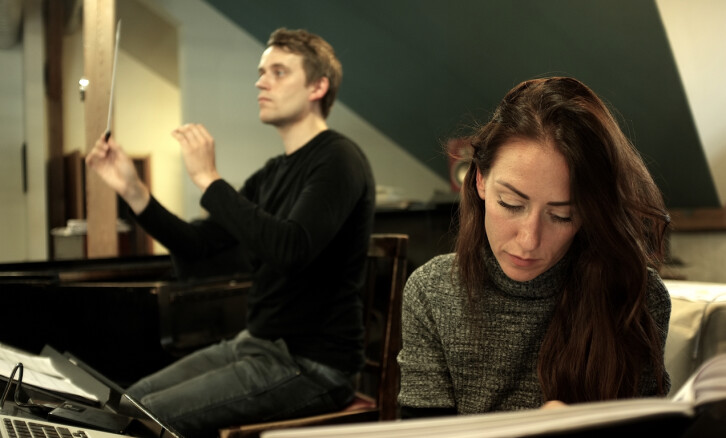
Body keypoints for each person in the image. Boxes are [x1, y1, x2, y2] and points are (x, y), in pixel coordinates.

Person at [85, 28, 375, 437]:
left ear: (318, 86)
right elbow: (199, 246)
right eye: (261, 72)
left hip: (313, 364)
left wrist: (208, 178)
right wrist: (134, 192)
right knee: (124, 401)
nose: (261, 82)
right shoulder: (271, 173)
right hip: (256, 344)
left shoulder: (339, 158)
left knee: (143, 419)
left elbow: (291, 249)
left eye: (278, 72)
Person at [397, 76, 672, 418]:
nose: (529, 240)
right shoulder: (432, 292)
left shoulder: (635, 296)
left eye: (561, 216)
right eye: (511, 204)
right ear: (480, 179)